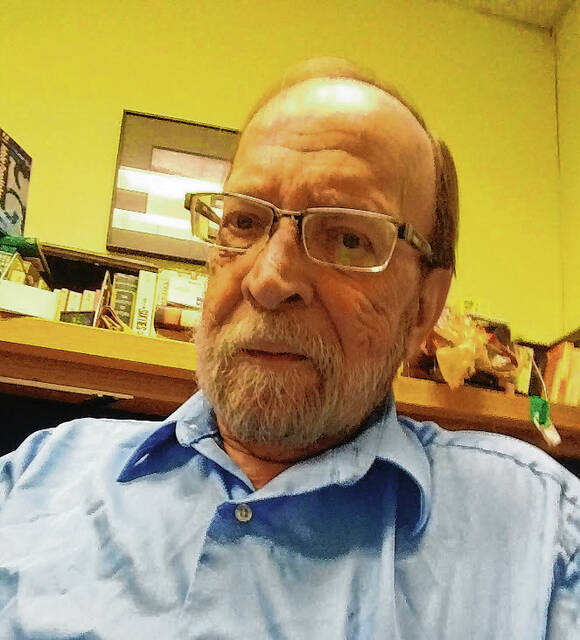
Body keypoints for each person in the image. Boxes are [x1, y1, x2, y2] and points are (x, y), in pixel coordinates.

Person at [1, 58, 578, 639]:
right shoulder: (36, 478)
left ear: (425, 307)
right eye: (244, 222)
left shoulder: (543, 539)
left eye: (348, 237)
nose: (269, 279)